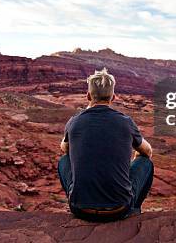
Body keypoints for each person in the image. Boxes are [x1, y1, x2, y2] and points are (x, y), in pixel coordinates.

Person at [57, 68, 153, 222]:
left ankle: (78, 197)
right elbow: (147, 151)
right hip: (119, 209)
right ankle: (134, 209)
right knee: (145, 162)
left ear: (88, 96)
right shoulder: (126, 122)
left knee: (63, 161)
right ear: (113, 97)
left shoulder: (74, 121)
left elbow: (64, 148)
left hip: (80, 210)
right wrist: (135, 156)